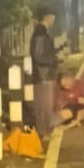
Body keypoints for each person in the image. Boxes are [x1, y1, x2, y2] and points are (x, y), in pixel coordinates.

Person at [30, 8, 59, 139]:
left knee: (46, 104)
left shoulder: (42, 32)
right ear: (48, 17)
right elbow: (38, 55)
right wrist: (53, 60)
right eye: (53, 16)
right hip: (43, 74)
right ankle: (43, 131)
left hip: (45, 73)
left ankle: (46, 130)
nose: (54, 19)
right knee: (43, 105)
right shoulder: (41, 32)